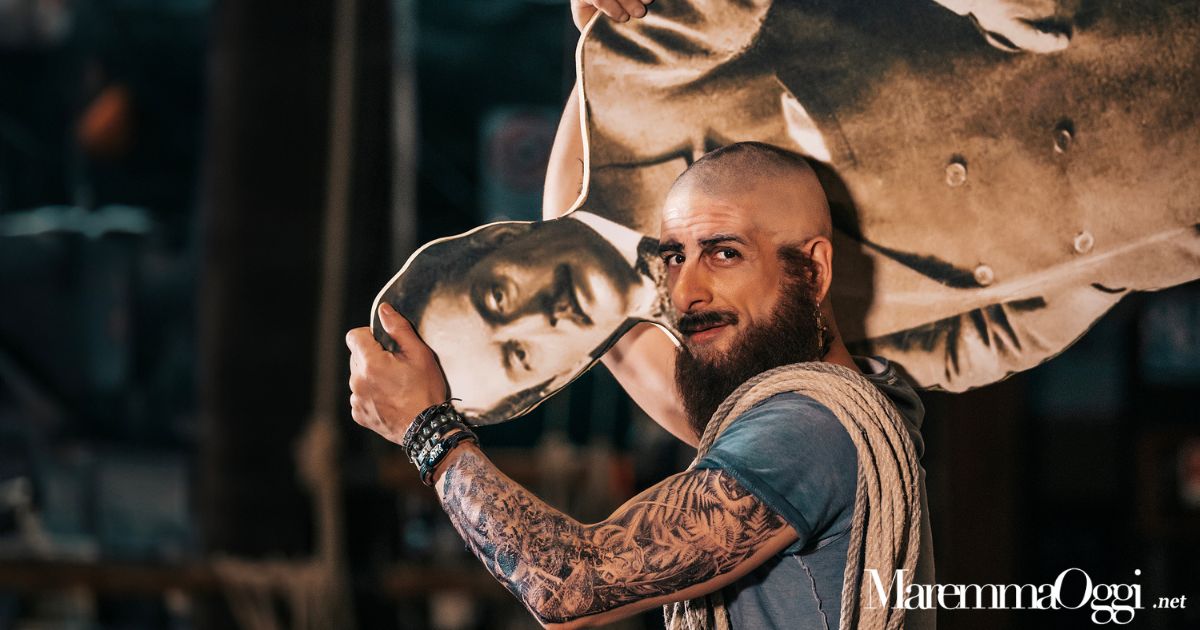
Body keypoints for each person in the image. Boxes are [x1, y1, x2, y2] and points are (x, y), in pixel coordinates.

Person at [347, 137, 935, 628]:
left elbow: (570, 585)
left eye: (724, 254)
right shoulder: (853, 408)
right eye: (675, 257)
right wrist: (594, 55)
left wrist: (429, 432)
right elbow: (578, 249)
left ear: (812, 270)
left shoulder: (808, 429)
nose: (686, 292)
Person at [373, 209, 667, 423]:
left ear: (503, 236)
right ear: (556, 379)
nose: (540, 317)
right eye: (520, 354)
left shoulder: (599, 153)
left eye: (498, 297)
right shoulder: (674, 388)